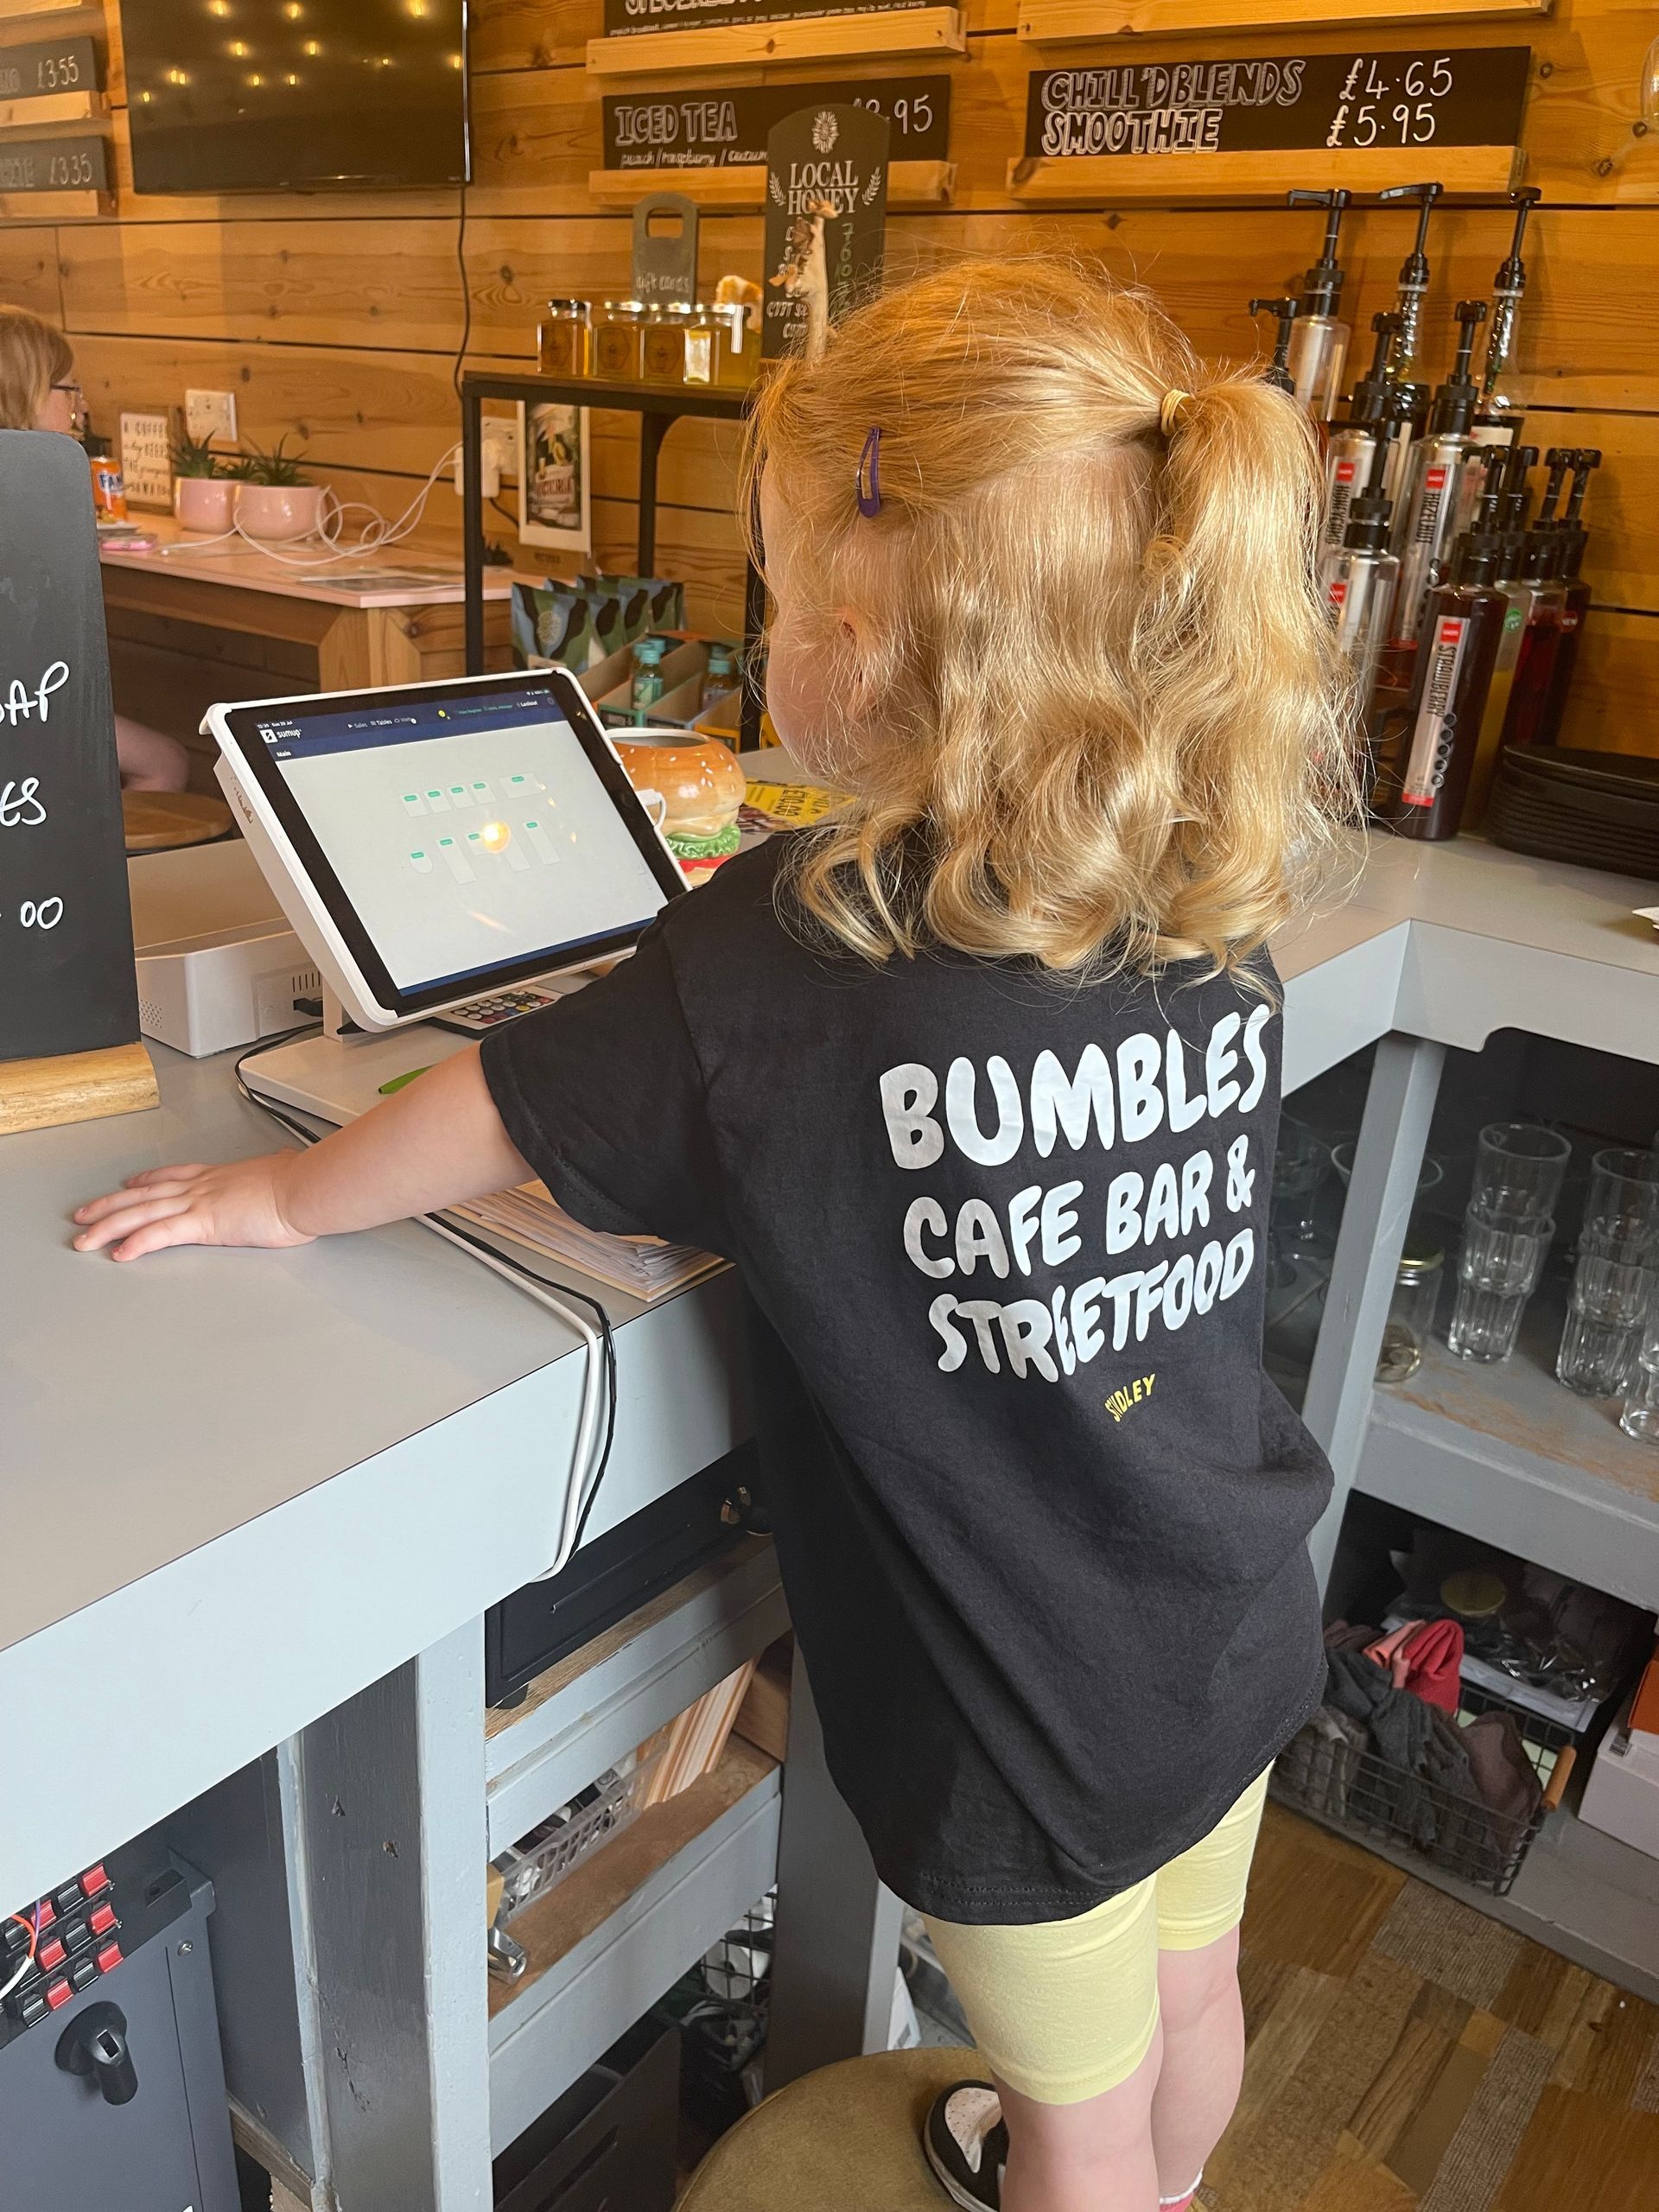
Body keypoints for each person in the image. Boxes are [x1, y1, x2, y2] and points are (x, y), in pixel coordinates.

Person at [72, 260, 1357, 2212]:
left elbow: (489, 1109)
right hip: (1225, 1609)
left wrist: (267, 1191)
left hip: (1023, 1716)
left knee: (1077, 2132)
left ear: (865, 627)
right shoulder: (1193, 882)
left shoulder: (796, 941)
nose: (761, 629)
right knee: (1187, 2003)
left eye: (773, 588)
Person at [0, 302, 190, 792]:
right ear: (22, 393)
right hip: (23, 707)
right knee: (165, 763)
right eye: (69, 389)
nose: (81, 406)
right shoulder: (32, 497)